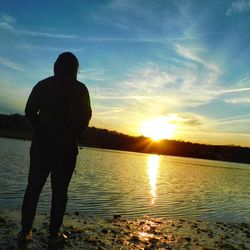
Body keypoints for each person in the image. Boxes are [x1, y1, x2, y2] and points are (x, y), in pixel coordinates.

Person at [17, 52, 92, 245]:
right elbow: (86, 117)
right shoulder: (80, 89)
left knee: (33, 189)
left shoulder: (44, 85)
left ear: (56, 66)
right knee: (60, 192)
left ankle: (25, 232)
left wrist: (40, 129)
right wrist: (74, 134)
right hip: (66, 148)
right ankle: (52, 235)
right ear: (75, 69)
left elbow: (29, 111)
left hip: (43, 146)